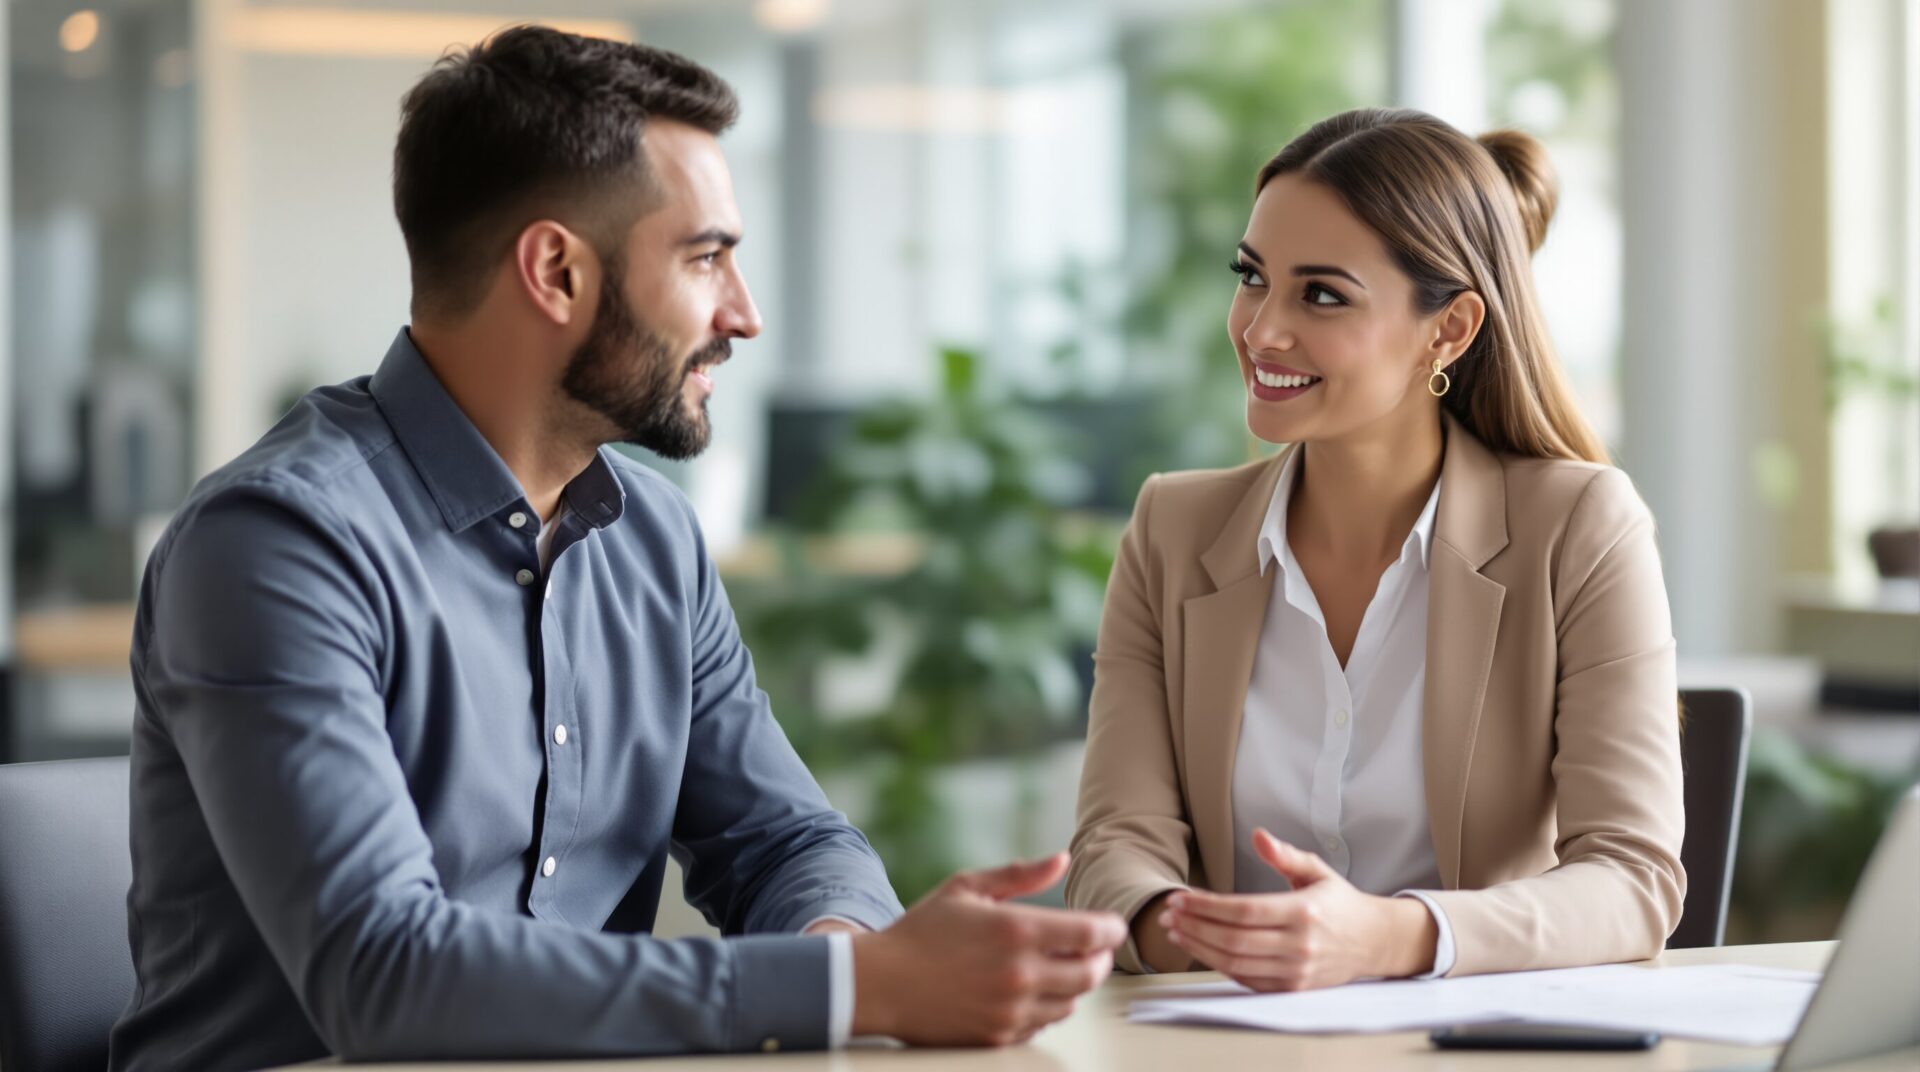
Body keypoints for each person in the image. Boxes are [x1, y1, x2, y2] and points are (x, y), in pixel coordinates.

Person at [109, 27, 1123, 1072]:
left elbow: (786, 841)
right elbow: (384, 975)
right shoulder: (276, 546)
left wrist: (838, 942)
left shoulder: (653, 538)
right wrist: (857, 986)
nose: (746, 314)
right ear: (555, 270)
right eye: (706, 258)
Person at [1065, 108, 1685, 991]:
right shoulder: (1172, 530)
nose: (1261, 330)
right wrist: (1201, 930)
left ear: (1451, 328)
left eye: (1321, 294)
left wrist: (1393, 937)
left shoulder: (1580, 526)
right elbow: (1115, 846)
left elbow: (1632, 878)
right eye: (1252, 277)